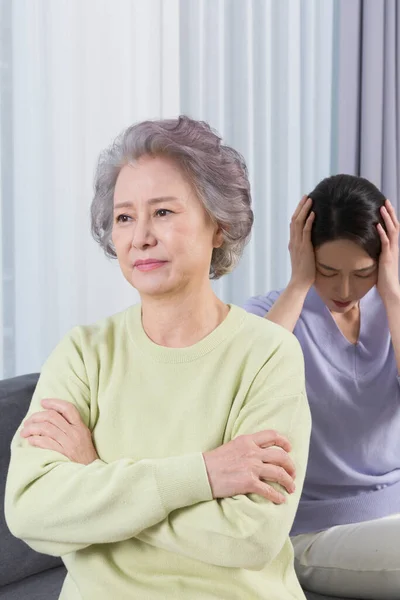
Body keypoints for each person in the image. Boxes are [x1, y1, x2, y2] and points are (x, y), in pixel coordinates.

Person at [5, 116, 311, 600]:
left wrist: (97, 474)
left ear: (219, 225)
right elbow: (29, 510)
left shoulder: (268, 353)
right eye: (125, 217)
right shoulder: (83, 353)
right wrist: (203, 476)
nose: (140, 236)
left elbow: (251, 535)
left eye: (163, 212)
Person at [245, 174, 400, 599]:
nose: (345, 290)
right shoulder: (268, 317)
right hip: (316, 530)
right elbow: (243, 387)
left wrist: (392, 295)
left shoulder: (393, 313)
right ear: (304, 252)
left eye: (363, 273)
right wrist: (299, 284)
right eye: (327, 271)